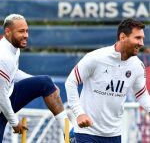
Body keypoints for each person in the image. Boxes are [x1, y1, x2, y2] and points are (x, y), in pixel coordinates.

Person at [65, 18, 150, 143]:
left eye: (142, 38)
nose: (142, 43)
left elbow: (142, 95)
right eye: (137, 38)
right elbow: (71, 82)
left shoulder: (137, 66)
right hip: (87, 132)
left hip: (114, 134)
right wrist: (79, 113)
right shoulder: (95, 57)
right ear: (122, 37)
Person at [0, 14, 72, 142]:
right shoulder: (3, 56)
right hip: (2, 103)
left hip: (7, 97)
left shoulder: (13, 47)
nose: (26, 35)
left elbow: (13, 73)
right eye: (21, 31)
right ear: (7, 32)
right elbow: (2, 98)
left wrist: (42, 85)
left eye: (27, 31)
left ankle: (69, 133)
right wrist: (15, 122)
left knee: (45, 82)